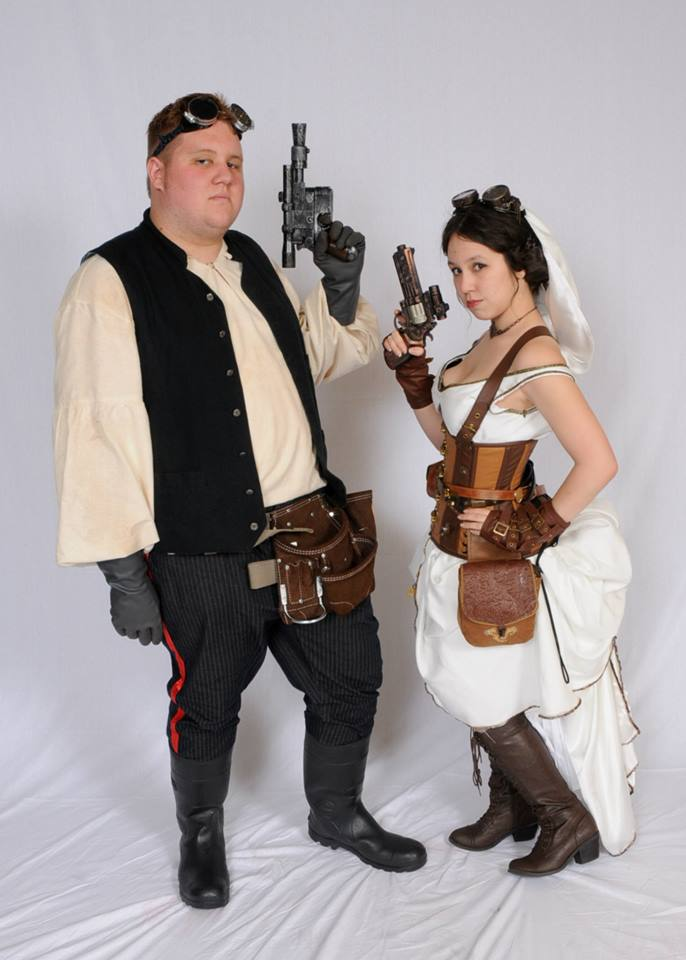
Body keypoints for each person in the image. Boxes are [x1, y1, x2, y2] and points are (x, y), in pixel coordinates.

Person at [54, 92, 426, 909]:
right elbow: (94, 434)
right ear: (156, 173)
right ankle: (200, 834)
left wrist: (339, 287)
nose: (224, 176)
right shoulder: (109, 280)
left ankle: (336, 813)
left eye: (233, 163)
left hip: (311, 529)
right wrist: (123, 573)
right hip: (203, 548)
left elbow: (316, 355)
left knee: (351, 676)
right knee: (208, 701)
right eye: (202, 161)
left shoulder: (252, 259)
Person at [383, 185, 638, 877]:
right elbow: (453, 447)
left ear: (519, 266)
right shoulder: (487, 341)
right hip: (455, 543)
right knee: (479, 681)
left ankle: (563, 815)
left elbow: (598, 460)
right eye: (455, 269)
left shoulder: (532, 352)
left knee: (476, 686)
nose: (464, 285)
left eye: (479, 266)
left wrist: (528, 526)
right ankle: (513, 804)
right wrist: (415, 385)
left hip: (496, 553)